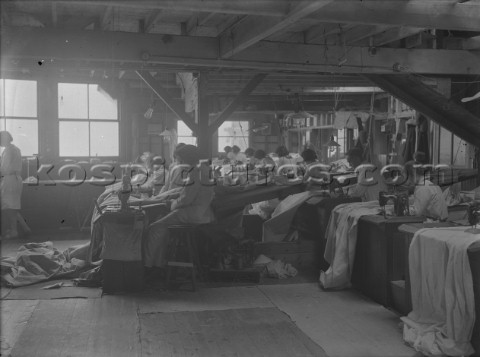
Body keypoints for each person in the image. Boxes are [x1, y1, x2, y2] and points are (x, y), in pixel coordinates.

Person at [143, 145, 215, 268]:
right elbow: (187, 192)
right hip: (202, 212)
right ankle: (158, 262)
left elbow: (186, 199)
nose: (179, 162)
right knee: (160, 224)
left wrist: (171, 204)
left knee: (155, 227)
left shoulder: (194, 172)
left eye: (180, 159)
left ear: (187, 158)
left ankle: (151, 266)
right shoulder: (206, 169)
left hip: (191, 213)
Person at [0, 131, 23, 239]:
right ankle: (23, 229)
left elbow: (4, 168)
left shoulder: (10, 151)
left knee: (9, 207)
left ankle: (14, 231)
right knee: (11, 206)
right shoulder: (13, 149)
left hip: (10, 179)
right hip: (13, 179)